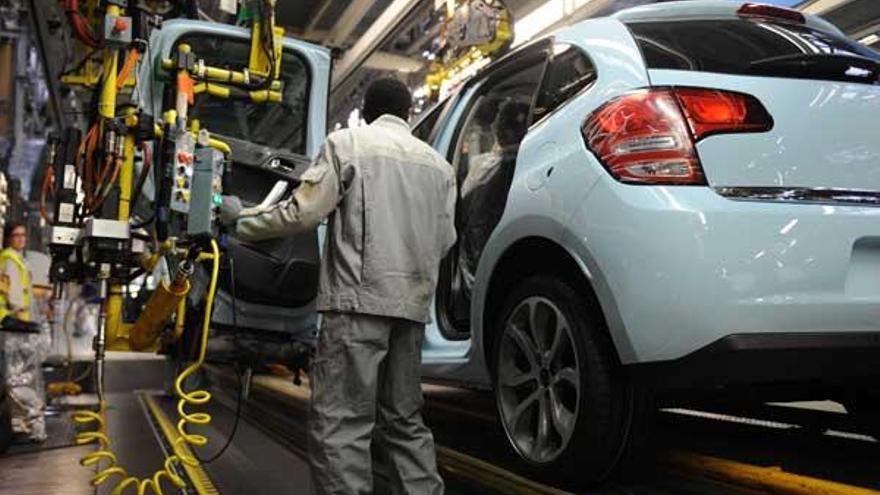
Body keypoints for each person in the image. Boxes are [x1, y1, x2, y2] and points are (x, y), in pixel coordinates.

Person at [222, 77, 456, 495]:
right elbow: (446, 241)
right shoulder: (439, 166)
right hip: (410, 311)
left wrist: (240, 223)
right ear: (407, 113)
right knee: (404, 421)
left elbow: (303, 214)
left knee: (343, 421)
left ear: (366, 111)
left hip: (356, 305)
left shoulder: (347, 144)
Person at [0, 222, 47, 442]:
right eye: (16, 235)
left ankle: (29, 423)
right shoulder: (10, 259)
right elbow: (15, 297)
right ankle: (32, 421)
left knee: (19, 379)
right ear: (8, 237)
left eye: (23, 235)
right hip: (14, 328)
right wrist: (25, 324)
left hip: (18, 327)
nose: (20, 239)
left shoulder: (17, 259)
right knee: (18, 381)